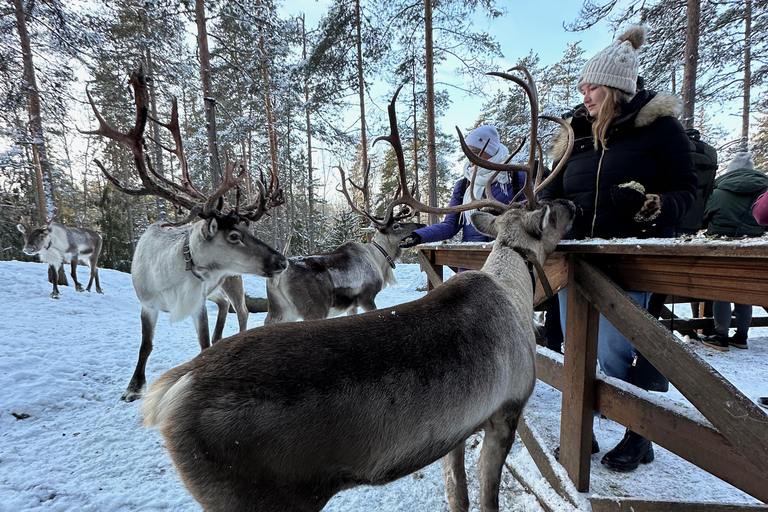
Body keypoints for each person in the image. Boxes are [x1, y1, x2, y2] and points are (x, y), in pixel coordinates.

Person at [539, 25, 697, 472]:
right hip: (575, 258)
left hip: (629, 259)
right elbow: (551, 187)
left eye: (592, 87)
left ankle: (640, 432)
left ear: (615, 88)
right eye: (582, 87)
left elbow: (688, 191)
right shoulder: (573, 134)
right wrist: (549, 211)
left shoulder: (661, 129)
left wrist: (652, 205)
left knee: (610, 352)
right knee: (575, 348)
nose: (584, 95)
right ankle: (581, 429)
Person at [399, 125, 526, 251]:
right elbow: (450, 225)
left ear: (491, 151)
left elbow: (530, 220)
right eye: (468, 153)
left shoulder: (515, 179)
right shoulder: (464, 185)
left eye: (476, 153)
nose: (471, 158)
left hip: (507, 260)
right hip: (470, 259)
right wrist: (419, 235)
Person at [700, 152, 768, 351]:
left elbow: (704, 218)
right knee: (744, 291)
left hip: (721, 248)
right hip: (752, 249)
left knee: (721, 290)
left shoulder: (719, 191)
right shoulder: (763, 192)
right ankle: (741, 336)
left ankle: (720, 336)